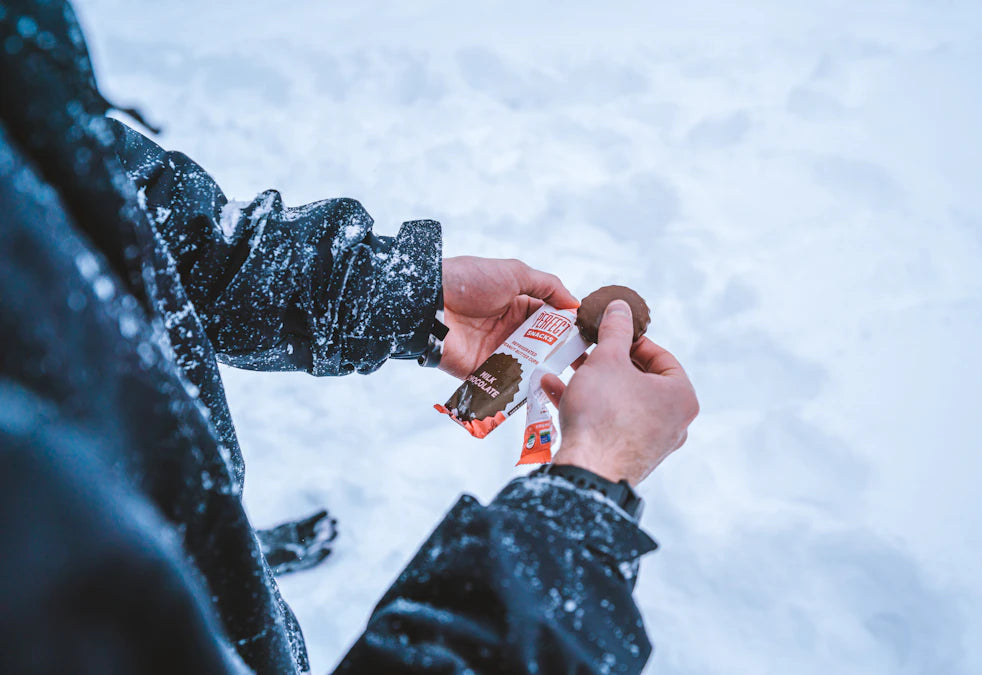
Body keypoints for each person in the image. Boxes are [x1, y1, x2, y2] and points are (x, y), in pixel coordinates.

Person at [0, 1, 699, 673]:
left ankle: (219, 547)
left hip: (180, 527)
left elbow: (143, 222)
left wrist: (405, 295)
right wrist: (584, 497)